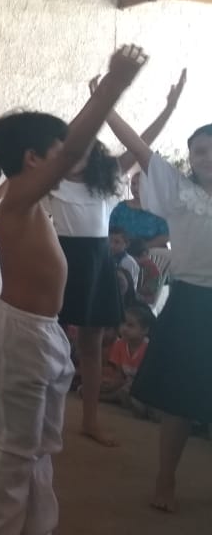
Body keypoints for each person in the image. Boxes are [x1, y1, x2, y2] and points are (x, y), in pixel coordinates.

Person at [0, 44, 149, 535]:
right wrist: (113, 86)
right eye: (57, 153)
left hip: (43, 332)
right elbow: (73, 145)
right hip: (22, 332)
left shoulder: (35, 201)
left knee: (43, 443)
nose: (72, 159)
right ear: (33, 161)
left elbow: (71, 146)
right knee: (16, 444)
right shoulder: (20, 198)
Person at [0, 69, 179, 448]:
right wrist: (97, 99)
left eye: (83, 151)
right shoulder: (51, 183)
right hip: (60, 259)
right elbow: (56, 141)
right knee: (47, 338)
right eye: (69, 150)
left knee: (92, 344)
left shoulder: (105, 184)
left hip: (96, 262)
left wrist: (168, 109)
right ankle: (38, 410)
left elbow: (142, 144)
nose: (75, 154)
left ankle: (90, 418)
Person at [100, 109, 212, 514]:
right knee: (178, 399)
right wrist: (107, 105)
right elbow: (139, 148)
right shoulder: (180, 192)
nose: (206, 157)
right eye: (199, 151)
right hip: (191, 302)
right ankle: (167, 476)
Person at [107, 69, 186, 249]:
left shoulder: (161, 208)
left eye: (140, 183)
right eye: (134, 183)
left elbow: (166, 235)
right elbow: (139, 145)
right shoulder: (120, 209)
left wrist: (142, 249)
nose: (136, 188)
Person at [100, 304, 153, 409]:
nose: (124, 328)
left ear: (145, 330)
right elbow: (119, 373)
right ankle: (116, 397)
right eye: (123, 323)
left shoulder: (149, 349)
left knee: (127, 391)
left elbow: (147, 380)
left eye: (130, 325)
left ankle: (105, 398)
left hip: (140, 387)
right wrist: (113, 383)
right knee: (102, 382)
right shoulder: (119, 344)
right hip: (125, 383)